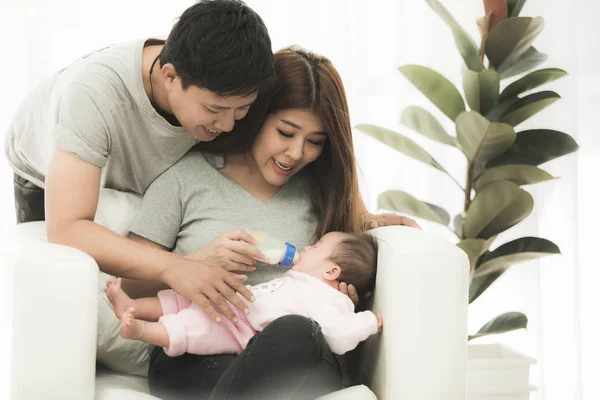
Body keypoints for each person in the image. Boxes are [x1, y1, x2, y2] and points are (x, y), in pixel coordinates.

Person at [126, 46, 418, 400]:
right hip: (194, 353)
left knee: (296, 332)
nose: (296, 153)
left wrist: (346, 297)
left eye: (314, 142)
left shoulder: (323, 195)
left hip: (293, 353)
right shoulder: (185, 179)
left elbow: (339, 295)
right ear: (256, 115)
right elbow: (130, 288)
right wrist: (196, 263)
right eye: (285, 132)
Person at [4, 0, 277, 319]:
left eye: (241, 109)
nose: (228, 125)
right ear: (170, 76)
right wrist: (176, 267)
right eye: (214, 110)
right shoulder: (92, 94)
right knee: (64, 300)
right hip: (47, 175)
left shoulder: (222, 82)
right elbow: (68, 229)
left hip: (144, 177)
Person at [105, 232, 383, 358]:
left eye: (318, 246)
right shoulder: (299, 279)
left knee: (192, 326)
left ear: (332, 271)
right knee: (185, 298)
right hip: (238, 304)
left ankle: (140, 330)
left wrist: (369, 321)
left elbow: (338, 335)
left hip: (240, 330)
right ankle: (133, 305)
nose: (308, 247)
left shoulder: (331, 302)